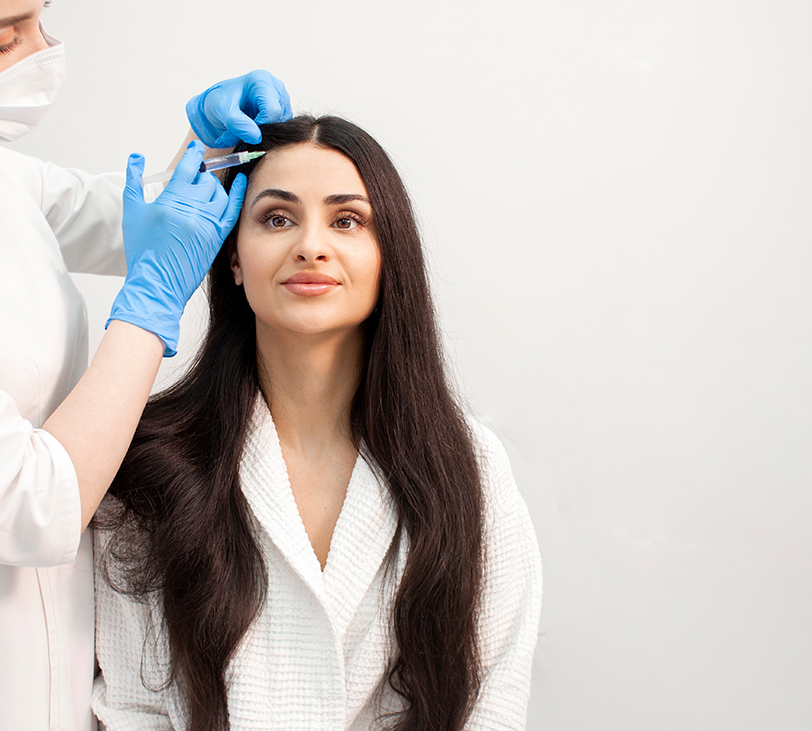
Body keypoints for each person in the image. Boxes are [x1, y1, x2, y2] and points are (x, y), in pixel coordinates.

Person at [0, 0, 291, 729]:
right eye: (3, 43)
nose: (41, 54)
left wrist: (215, 153)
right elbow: (25, 506)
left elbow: (129, 218)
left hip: (75, 640)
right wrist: (148, 307)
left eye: (40, 20)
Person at [92, 115, 542, 731]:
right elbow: (131, 705)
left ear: (390, 257)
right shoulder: (148, 459)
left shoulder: (468, 464)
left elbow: (493, 696)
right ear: (232, 258)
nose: (311, 245)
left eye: (347, 220)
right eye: (277, 218)